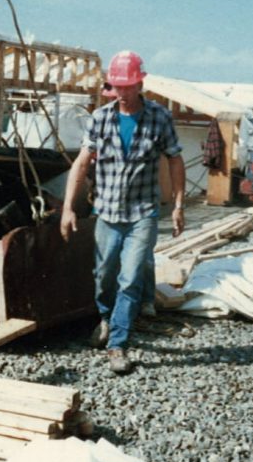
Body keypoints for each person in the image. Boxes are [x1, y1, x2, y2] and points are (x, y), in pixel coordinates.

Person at [60, 51, 186, 374]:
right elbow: (82, 163)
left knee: (130, 278)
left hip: (142, 213)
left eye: (129, 86)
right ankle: (106, 317)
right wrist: (67, 209)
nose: (124, 93)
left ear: (140, 83)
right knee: (104, 274)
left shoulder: (159, 118)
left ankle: (118, 344)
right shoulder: (100, 118)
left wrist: (178, 205)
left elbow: (175, 160)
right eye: (118, 86)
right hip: (107, 212)